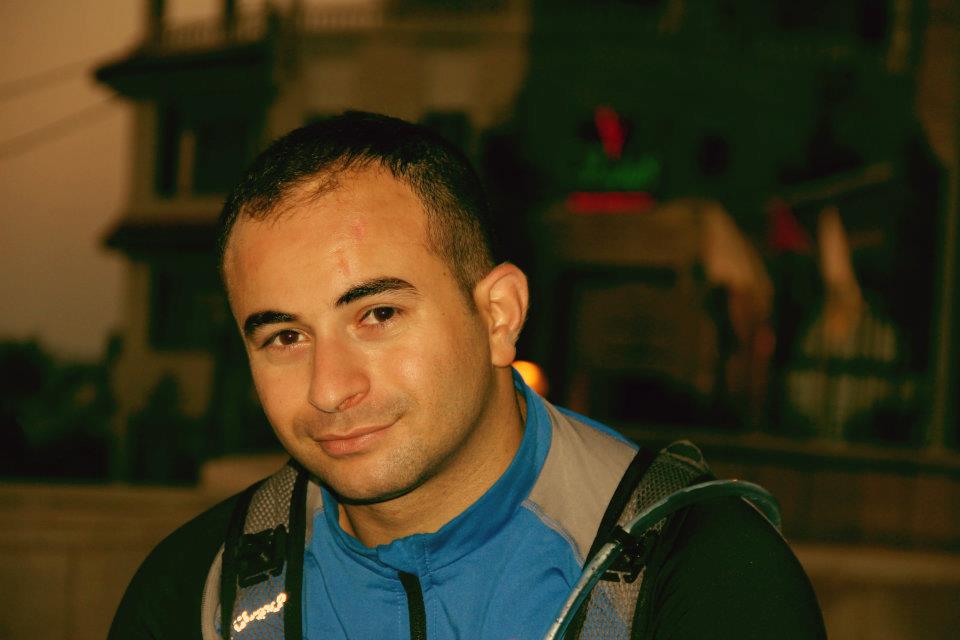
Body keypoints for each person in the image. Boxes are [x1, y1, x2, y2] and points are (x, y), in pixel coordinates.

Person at [109, 112, 825, 639]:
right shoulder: (198, 594)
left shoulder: (701, 576)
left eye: (378, 315)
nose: (330, 388)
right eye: (286, 337)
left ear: (498, 315)